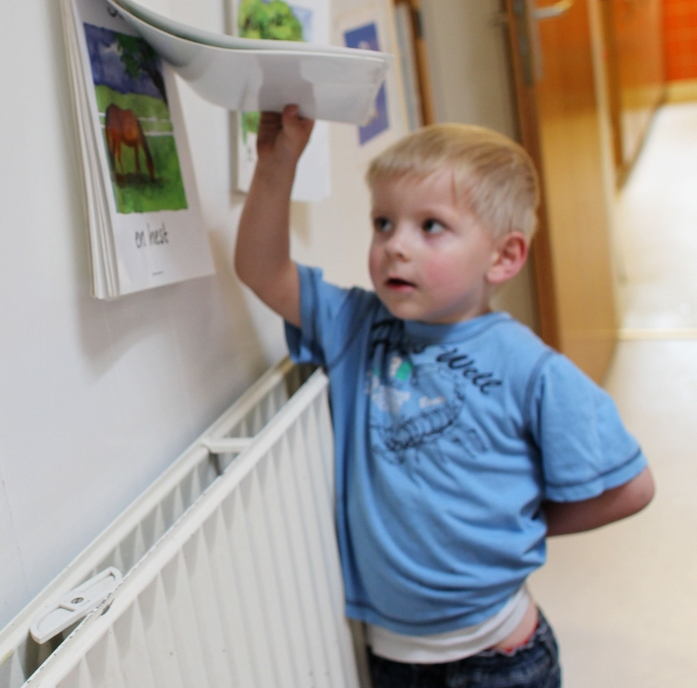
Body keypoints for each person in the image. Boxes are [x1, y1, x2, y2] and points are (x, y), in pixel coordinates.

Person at [234, 108, 655, 688]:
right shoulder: (357, 325)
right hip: (396, 660)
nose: (395, 247)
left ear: (503, 257)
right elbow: (261, 271)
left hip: (500, 659)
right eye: (384, 223)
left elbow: (631, 486)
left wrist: (525, 523)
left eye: (430, 226)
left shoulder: (530, 368)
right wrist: (276, 168)